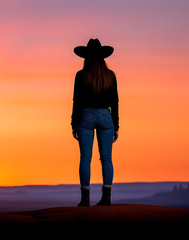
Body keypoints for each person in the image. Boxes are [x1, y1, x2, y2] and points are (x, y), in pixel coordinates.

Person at [71, 38, 119, 207]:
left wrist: (73, 123)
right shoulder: (110, 76)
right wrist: (116, 125)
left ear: (86, 57)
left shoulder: (81, 75)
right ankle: (106, 197)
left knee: (85, 159)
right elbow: (115, 102)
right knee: (106, 159)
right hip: (105, 116)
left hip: (85, 116)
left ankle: (85, 199)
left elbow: (76, 101)